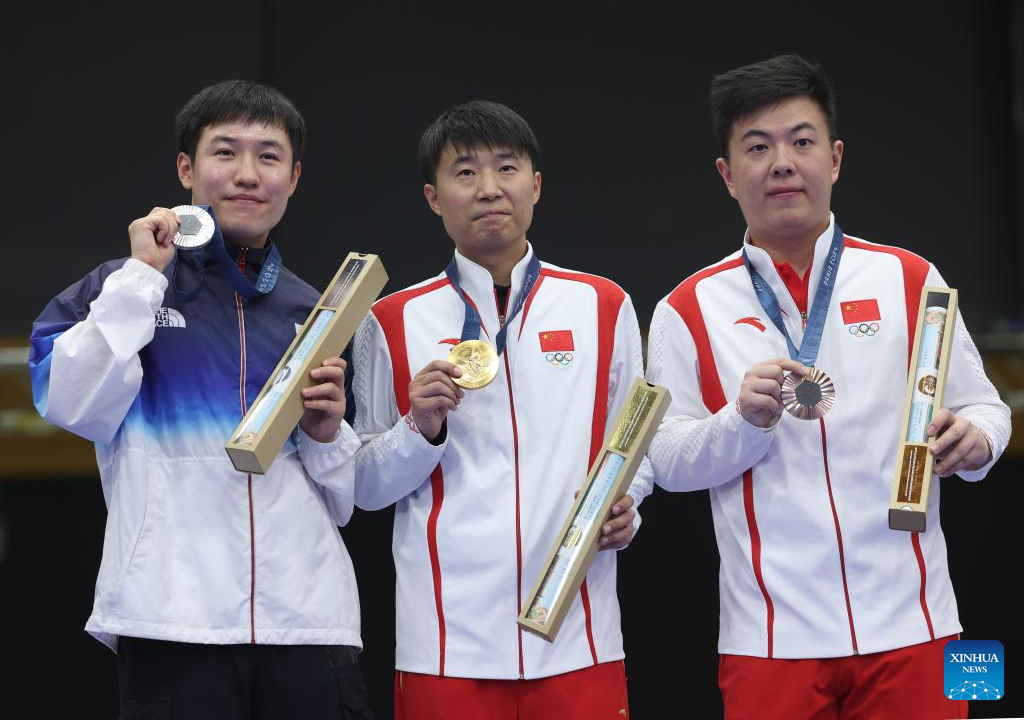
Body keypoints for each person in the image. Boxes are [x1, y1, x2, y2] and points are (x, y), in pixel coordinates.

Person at [646, 54, 1012, 719]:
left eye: (802, 141)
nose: (783, 163)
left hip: (919, 624)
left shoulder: (909, 278)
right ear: (728, 175)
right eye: (758, 147)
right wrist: (740, 422)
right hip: (770, 640)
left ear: (835, 159)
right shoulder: (687, 307)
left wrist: (978, 439)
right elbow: (666, 461)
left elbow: (989, 406)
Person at [29, 80, 372, 719]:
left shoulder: (315, 308)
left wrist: (328, 435)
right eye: (225, 153)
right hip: (171, 618)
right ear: (186, 168)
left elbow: (345, 496)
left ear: (293, 177)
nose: (247, 175)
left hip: (307, 621)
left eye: (268, 156)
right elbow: (66, 402)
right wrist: (140, 282)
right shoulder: (122, 285)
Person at [353, 100, 650, 718]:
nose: (489, 188)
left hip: (579, 635)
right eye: (465, 173)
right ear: (433, 197)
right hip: (446, 644)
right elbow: (364, 485)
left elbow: (635, 450)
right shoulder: (391, 320)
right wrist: (419, 428)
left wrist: (627, 509)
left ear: (535, 185)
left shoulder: (603, 306)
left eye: (507, 168)